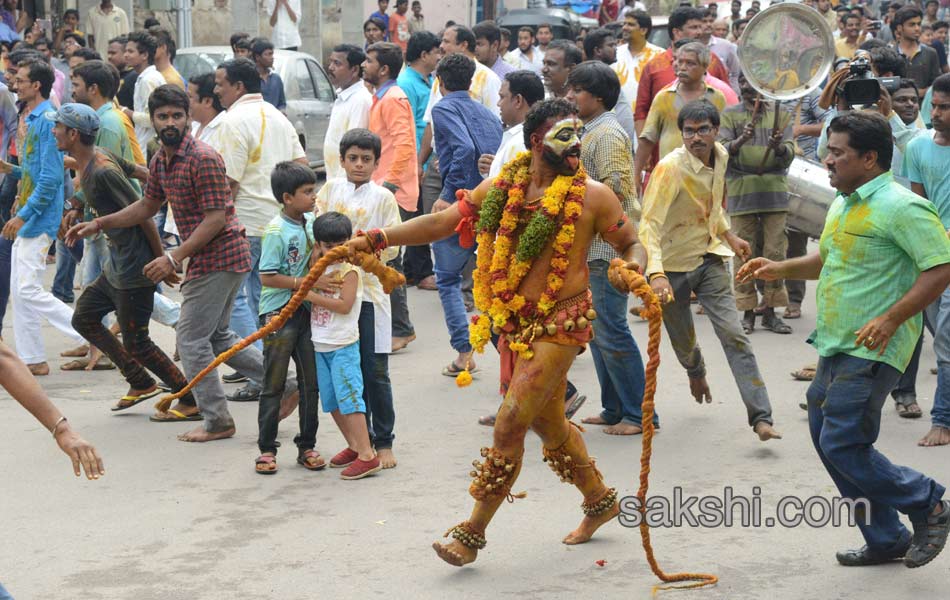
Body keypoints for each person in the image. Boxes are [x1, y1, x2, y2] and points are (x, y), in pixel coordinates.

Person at [347, 97, 643, 566]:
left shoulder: (593, 196)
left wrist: (636, 271)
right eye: (565, 136)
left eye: (579, 135)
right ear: (534, 142)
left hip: (561, 323)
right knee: (549, 424)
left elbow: (630, 243)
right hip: (515, 324)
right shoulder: (504, 187)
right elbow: (443, 222)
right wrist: (381, 237)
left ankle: (471, 534)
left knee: (509, 424)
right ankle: (601, 501)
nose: (577, 146)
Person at [739, 110, 950, 569]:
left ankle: (927, 502)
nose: (826, 160)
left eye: (837, 153)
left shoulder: (902, 206)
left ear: (870, 158)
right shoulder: (845, 201)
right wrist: (778, 268)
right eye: (827, 151)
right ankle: (886, 536)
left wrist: (892, 319)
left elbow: (940, 267)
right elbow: (828, 261)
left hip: (874, 347)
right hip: (835, 343)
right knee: (824, 435)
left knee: (842, 443)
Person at [67, 84, 285, 437]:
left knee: (190, 340)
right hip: (208, 257)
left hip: (222, 255)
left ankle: (217, 420)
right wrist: (99, 222)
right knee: (217, 338)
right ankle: (283, 385)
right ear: (152, 119)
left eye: (177, 116)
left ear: (187, 118)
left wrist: (173, 256)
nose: (170, 122)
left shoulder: (203, 157)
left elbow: (216, 218)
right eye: (163, 116)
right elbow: (146, 207)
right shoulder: (160, 160)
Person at [640, 99, 780, 442]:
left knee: (735, 335)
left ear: (716, 131)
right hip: (671, 267)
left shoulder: (721, 155)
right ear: (682, 133)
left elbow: (712, 206)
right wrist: (655, 274)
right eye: (689, 131)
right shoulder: (669, 169)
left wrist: (729, 234)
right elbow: (649, 225)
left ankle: (761, 417)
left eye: (703, 129)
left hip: (710, 258)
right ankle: (695, 370)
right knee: (684, 341)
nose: (696, 137)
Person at [54, 102, 188, 411]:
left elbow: (144, 215)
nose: (54, 131)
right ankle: (140, 381)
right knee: (84, 317)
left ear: (73, 134)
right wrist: (76, 203)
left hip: (135, 264)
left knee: (138, 342)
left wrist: (162, 260)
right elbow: (141, 172)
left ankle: (189, 395)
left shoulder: (102, 171)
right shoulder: (94, 159)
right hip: (117, 262)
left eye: (58, 127)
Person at [212, 58, 308, 402]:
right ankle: (267, 370)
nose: (216, 90)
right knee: (264, 302)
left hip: (248, 223)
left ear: (238, 86)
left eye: (220, 83)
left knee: (242, 301)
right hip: (277, 222)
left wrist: (215, 226)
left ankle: (264, 375)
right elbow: (301, 168)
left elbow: (228, 183)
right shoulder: (277, 117)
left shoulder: (233, 121)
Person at [564, 61, 649, 436]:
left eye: (576, 90)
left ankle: (639, 414)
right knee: (597, 332)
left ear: (597, 96)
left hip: (607, 249)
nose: (570, 96)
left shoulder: (608, 134)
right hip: (591, 248)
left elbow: (616, 192)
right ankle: (614, 407)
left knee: (612, 331)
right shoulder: (589, 130)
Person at [316, 128, 401, 470]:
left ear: (377, 163)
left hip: (371, 295)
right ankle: (357, 441)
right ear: (342, 160)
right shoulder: (330, 189)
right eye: (353, 158)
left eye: (367, 159)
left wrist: (367, 246)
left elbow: (394, 245)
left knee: (375, 369)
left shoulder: (383, 198)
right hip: (334, 293)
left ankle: (384, 442)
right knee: (347, 371)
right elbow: (316, 231)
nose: (359, 165)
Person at [0, 59, 87, 375]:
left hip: (38, 218)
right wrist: (11, 170)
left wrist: (23, 214)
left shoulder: (47, 120)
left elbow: (50, 179)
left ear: (36, 85)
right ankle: (32, 358)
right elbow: (36, 172)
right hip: (29, 215)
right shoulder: (29, 116)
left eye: (21, 79)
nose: (15, 82)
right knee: (20, 289)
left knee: (27, 290)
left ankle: (90, 333)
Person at [430, 53, 502, 378]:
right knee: (489, 279)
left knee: (446, 279)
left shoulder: (443, 107)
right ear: (471, 81)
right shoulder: (486, 112)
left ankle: (464, 352)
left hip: (463, 203)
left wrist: (447, 195)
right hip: (491, 202)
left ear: (440, 82)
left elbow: (465, 149)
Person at [253, 161, 322, 474]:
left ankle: (307, 445)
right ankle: (267, 449)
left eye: (313, 190)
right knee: (274, 383)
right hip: (279, 314)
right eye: (307, 192)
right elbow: (267, 277)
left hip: (306, 313)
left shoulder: (311, 224)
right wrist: (306, 284)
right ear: (287, 197)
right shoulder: (276, 231)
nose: (313, 196)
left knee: (311, 384)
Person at [720, 72, 796, 336]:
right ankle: (747, 311)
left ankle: (771, 311)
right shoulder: (730, 114)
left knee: (775, 252)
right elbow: (720, 149)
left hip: (773, 192)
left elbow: (790, 151)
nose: (749, 90)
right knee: (745, 254)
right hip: (742, 193)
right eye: (745, 84)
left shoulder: (780, 113)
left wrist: (777, 148)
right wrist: (740, 141)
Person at [308, 211, 382, 479]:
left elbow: (344, 305)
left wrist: (310, 295)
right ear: (318, 245)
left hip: (343, 345)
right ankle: (353, 444)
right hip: (321, 344)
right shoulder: (318, 267)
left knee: (350, 399)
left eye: (340, 244)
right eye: (328, 246)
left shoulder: (350, 271)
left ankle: (367, 454)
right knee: (332, 401)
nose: (335, 251)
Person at [904, 73, 950, 446]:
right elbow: (919, 206)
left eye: (945, 108)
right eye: (934, 106)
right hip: (932, 256)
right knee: (939, 336)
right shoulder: (919, 148)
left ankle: (943, 419)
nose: (936, 113)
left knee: (946, 340)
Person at [362, 42, 418, 352]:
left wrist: (389, 187)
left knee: (390, 259)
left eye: (369, 61)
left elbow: (405, 144)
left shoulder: (394, 98)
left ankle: (401, 328)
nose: (364, 65)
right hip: (385, 188)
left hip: (393, 192)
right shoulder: (381, 97)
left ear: (383, 69)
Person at [634, 42, 727, 190]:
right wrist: (636, 173)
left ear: (704, 67)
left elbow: (723, 139)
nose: (682, 67)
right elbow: (647, 139)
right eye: (679, 61)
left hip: (706, 178)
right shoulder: (664, 97)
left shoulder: (716, 98)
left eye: (690, 63)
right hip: (671, 176)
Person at [635, 6, 731, 133]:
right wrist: (646, 151)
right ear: (676, 32)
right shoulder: (654, 67)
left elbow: (728, 106)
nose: (699, 32)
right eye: (693, 27)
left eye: (699, 27)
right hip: (664, 150)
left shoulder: (712, 61)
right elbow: (641, 112)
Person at [396, 30, 439, 291]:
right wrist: (417, 165)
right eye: (436, 52)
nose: (438, 57)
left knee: (417, 216)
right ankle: (422, 273)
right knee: (418, 219)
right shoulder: (406, 83)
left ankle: (412, 271)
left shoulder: (427, 80)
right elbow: (408, 129)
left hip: (424, 161)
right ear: (424, 55)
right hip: (416, 163)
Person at [480, 70, 545, 178]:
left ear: (518, 100)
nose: (498, 103)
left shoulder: (522, 142)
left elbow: (513, 189)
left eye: (502, 97)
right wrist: (493, 168)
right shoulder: (524, 135)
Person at [324, 43, 371, 180]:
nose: (331, 67)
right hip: (334, 180)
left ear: (355, 70)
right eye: (331, 62)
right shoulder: (341, 96)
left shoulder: (360, 100)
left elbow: (354, 148)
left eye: (337, 64)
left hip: (346, 183)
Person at [583, 28, 636, 142]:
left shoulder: (606, 74)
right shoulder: (595, 77)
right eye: (611, 45)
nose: (615, 49)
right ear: (598, 50)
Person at [122, 31, 164, 149]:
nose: (125, 55)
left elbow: (152, 118)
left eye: (130, 51)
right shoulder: (143, 78)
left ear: (144, 55)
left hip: (148, 146)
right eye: (125, 51)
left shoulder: (148, 80)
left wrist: (125, 111)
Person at [613, 10, 663, 109]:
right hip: (617, 118)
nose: (624, 28)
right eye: (624, 24)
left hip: (647, 117)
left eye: (630, 25)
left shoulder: (659, 56)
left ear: (643, 30)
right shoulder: (615, 54)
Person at [893, 5, 942, 91]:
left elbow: (936, 85)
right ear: (899, 28)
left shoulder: (930, 53)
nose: (917, 28)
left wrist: (922, 92)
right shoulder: (891, 54)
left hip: (923, 103)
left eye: (919, 24)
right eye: (912, 25)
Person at [700, 7, 740, 92]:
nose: (708, 24)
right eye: (704, 21)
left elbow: (735, 73)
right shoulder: (689, 47)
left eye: (711, 21)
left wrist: (734, 93)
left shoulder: (726, 45)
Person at [188, 72, 226, 145]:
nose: (185, 100)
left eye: (190, 96)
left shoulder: (224, 129)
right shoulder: (195, 125)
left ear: (207, 101)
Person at [251, 37, 286, 111]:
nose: (272, 58)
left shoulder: (276, 79)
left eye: (272, 54)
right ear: (257, 57)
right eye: (268, 54)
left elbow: (282, 103)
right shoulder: (251, 78)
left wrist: (281, 111)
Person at [110, 35, 135, 110]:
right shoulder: (112, 76)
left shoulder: (134, 77)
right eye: (108, 53)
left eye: (113, 53)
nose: (109, 56)